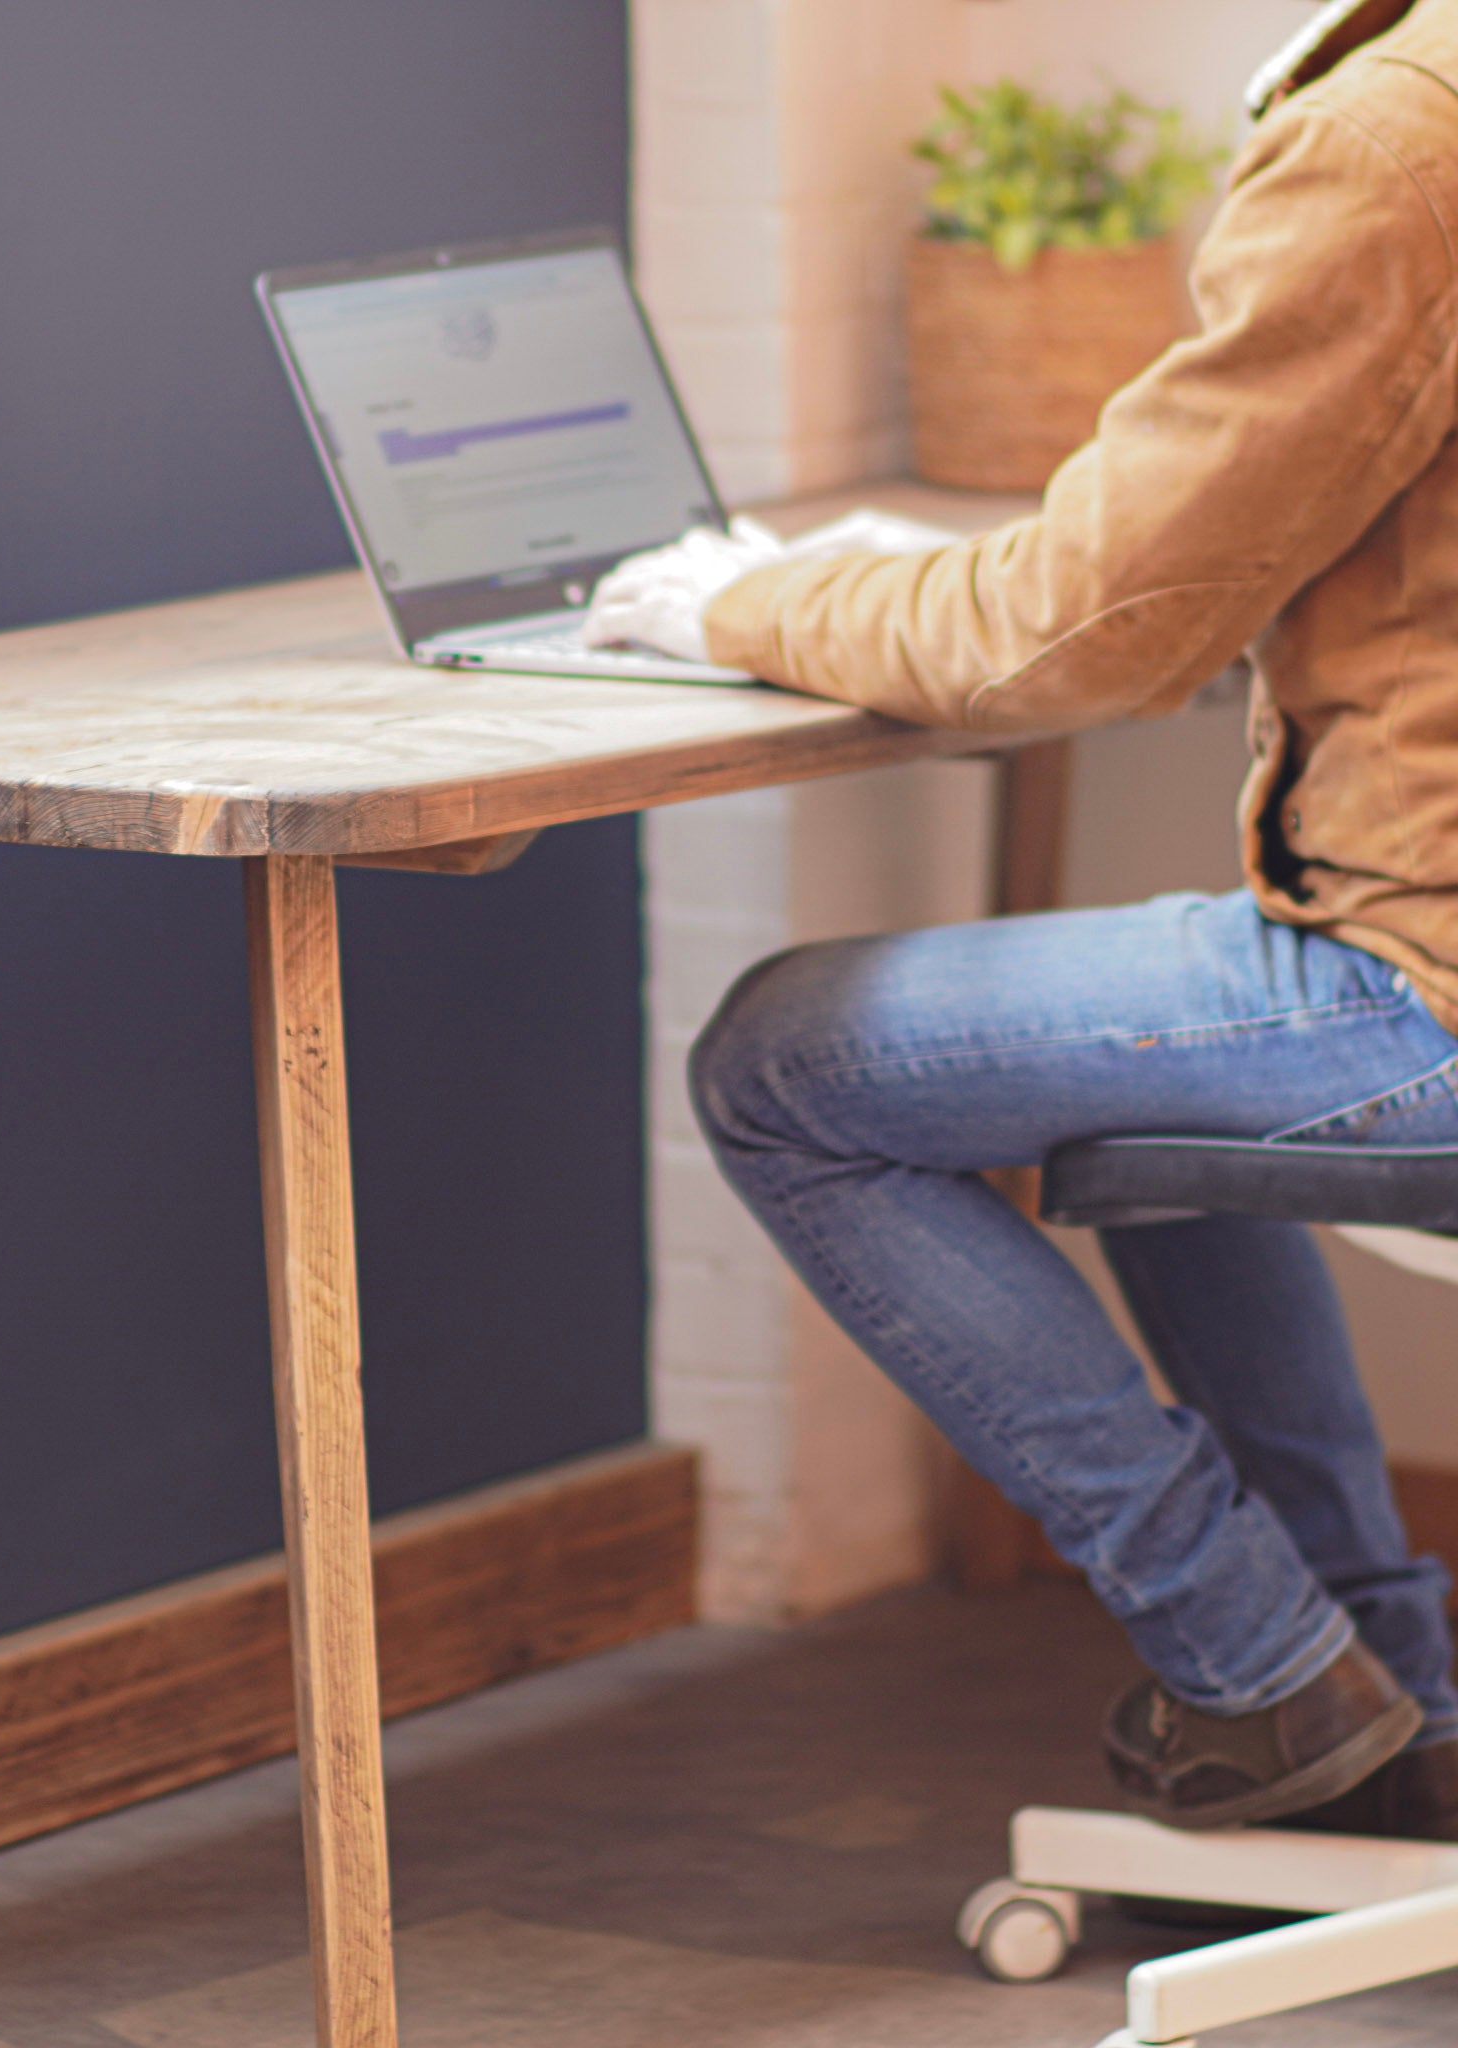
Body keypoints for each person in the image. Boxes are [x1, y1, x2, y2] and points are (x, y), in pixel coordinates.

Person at [585, 0, 1458, 1838]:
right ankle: (1396, 1697)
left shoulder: (1405, 134)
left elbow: (1079, 632)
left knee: (785, 1063)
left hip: (1427, 996)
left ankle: (1264, 1666)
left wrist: (755, 606)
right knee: (1134, 1060)